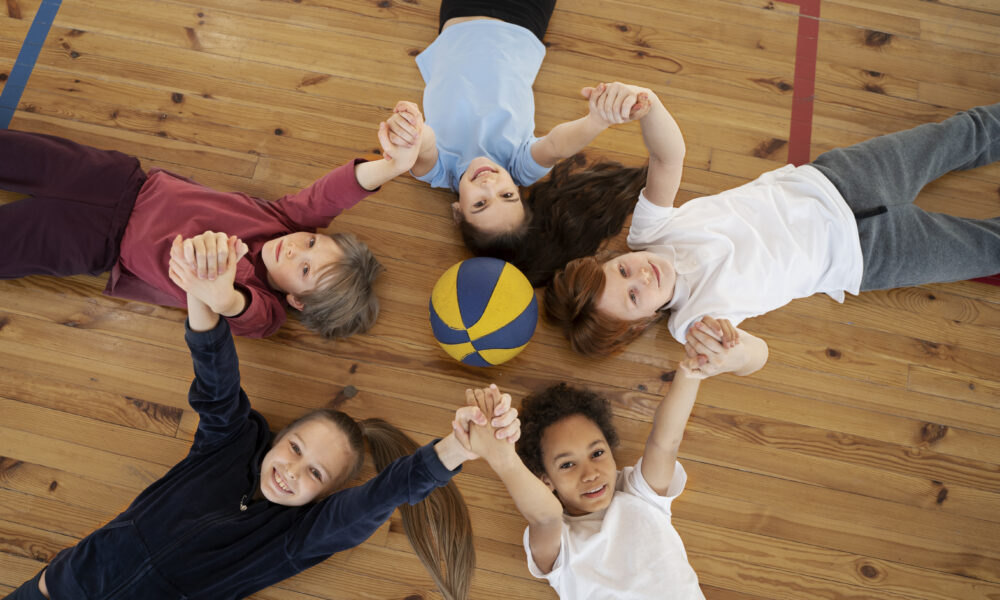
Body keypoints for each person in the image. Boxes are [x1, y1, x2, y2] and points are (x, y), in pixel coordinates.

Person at [4, 244, 521, 600]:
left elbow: (378, 498)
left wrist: (456, 450)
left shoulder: (296, 538)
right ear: (280, 436)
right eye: (296, 448)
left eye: (316, 474)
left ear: (324, 498)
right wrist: (203, 296)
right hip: (57, 589)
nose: (294, 471)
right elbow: (216, 382)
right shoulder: (228, 444)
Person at [544, 95, 1000, 363]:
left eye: (622, 271)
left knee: (965, 133)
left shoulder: (650, 233)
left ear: (616, 256)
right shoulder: (693, 325)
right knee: (988, 249)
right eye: (633, 297)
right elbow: (756, 356)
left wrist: (649, 106)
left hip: (842, 179)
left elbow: (668, 158)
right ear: (640, 323)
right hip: (868, 256)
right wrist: (731, 353)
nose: (641, 276)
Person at [0, 114, 422, 338]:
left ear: (298, 301)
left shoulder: (267, 306)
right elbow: (329, 195)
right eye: (312, 242)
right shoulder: (282, 222)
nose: (297, 249)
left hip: (98, 242)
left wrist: (223, 297)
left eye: (305, 270)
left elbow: (250, 316)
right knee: (17, 153)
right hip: (118, 179)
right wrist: (390, 166)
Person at [459, 325, 764, 599]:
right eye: (567, 464)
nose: (590, 473)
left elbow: (665, 440)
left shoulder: (641, 496)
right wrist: (503, 457)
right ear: (545, 480)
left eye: (597, 453)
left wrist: (690, 372)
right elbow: (545, 516)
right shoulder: (561, 541)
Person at [382, 0, 652, 286]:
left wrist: (411, 131)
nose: (490, 185)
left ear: (458, 211)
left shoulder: (439, 170)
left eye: (481, 203)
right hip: (523, 20)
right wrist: (596, 121)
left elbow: (424, 144)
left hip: (461, 14)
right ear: (518, 191)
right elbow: (557, 146)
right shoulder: (519, 166)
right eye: (507, 195)